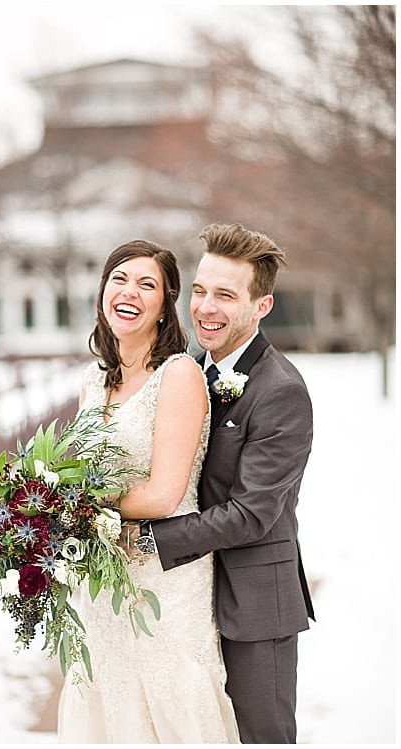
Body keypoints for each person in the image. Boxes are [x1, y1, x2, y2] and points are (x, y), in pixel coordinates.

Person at [127, 223, 314, 743]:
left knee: (260, 738)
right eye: (201, 291)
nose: (205, 307)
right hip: (186, 597)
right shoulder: (183, 371)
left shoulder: (282, 392)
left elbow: (252, 513)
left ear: (262, 306)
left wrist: (147, 537)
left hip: (253, 604)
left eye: (225, 296)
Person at [57, 239, 240, 743]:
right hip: (102, 578)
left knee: (170, 704)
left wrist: (75, 507)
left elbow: (163, 494)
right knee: (109, 701)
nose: (129, 291)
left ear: (166, 304)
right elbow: (79, 470)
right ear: (102, 293)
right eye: (119, 278)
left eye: (147, 285)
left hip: (165, 578)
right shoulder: (92, 383)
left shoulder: (178, 375)